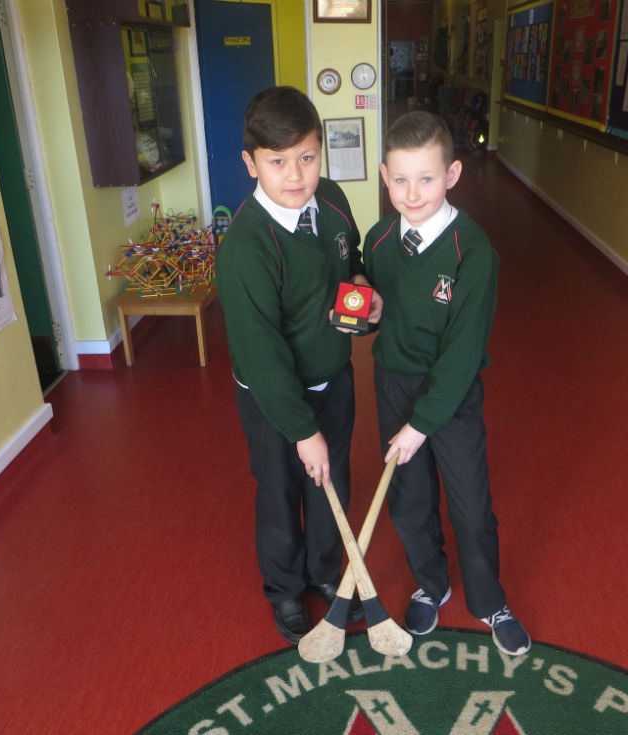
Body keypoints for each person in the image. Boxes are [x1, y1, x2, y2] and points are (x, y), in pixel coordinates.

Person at [362, 111, 531, 657]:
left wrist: (420, 427)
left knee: (470, 504)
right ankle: (431, 584)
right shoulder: (380, 238)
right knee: (409, 501)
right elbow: (384, 306)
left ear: (453, 175)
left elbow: (461, 356)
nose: (412, 193)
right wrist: (370, 309)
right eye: (400, 179)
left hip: (449, 397)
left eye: (427, 178)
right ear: (385, 176)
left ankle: (488, 600)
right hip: (393, 383)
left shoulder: (473, 253)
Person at [215, 86, 378, 645]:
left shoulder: (331, 199)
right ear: (250, 163)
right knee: (282, 489)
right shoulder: (244, 247)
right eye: (277, 162)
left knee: (333, 483)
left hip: (333, 377)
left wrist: (360, 288)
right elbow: (262, 356)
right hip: (273, 397)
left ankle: (323, 573)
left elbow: (349, 257)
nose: (295, 175)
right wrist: (302, 431)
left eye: (307, 157)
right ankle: (284, 588)